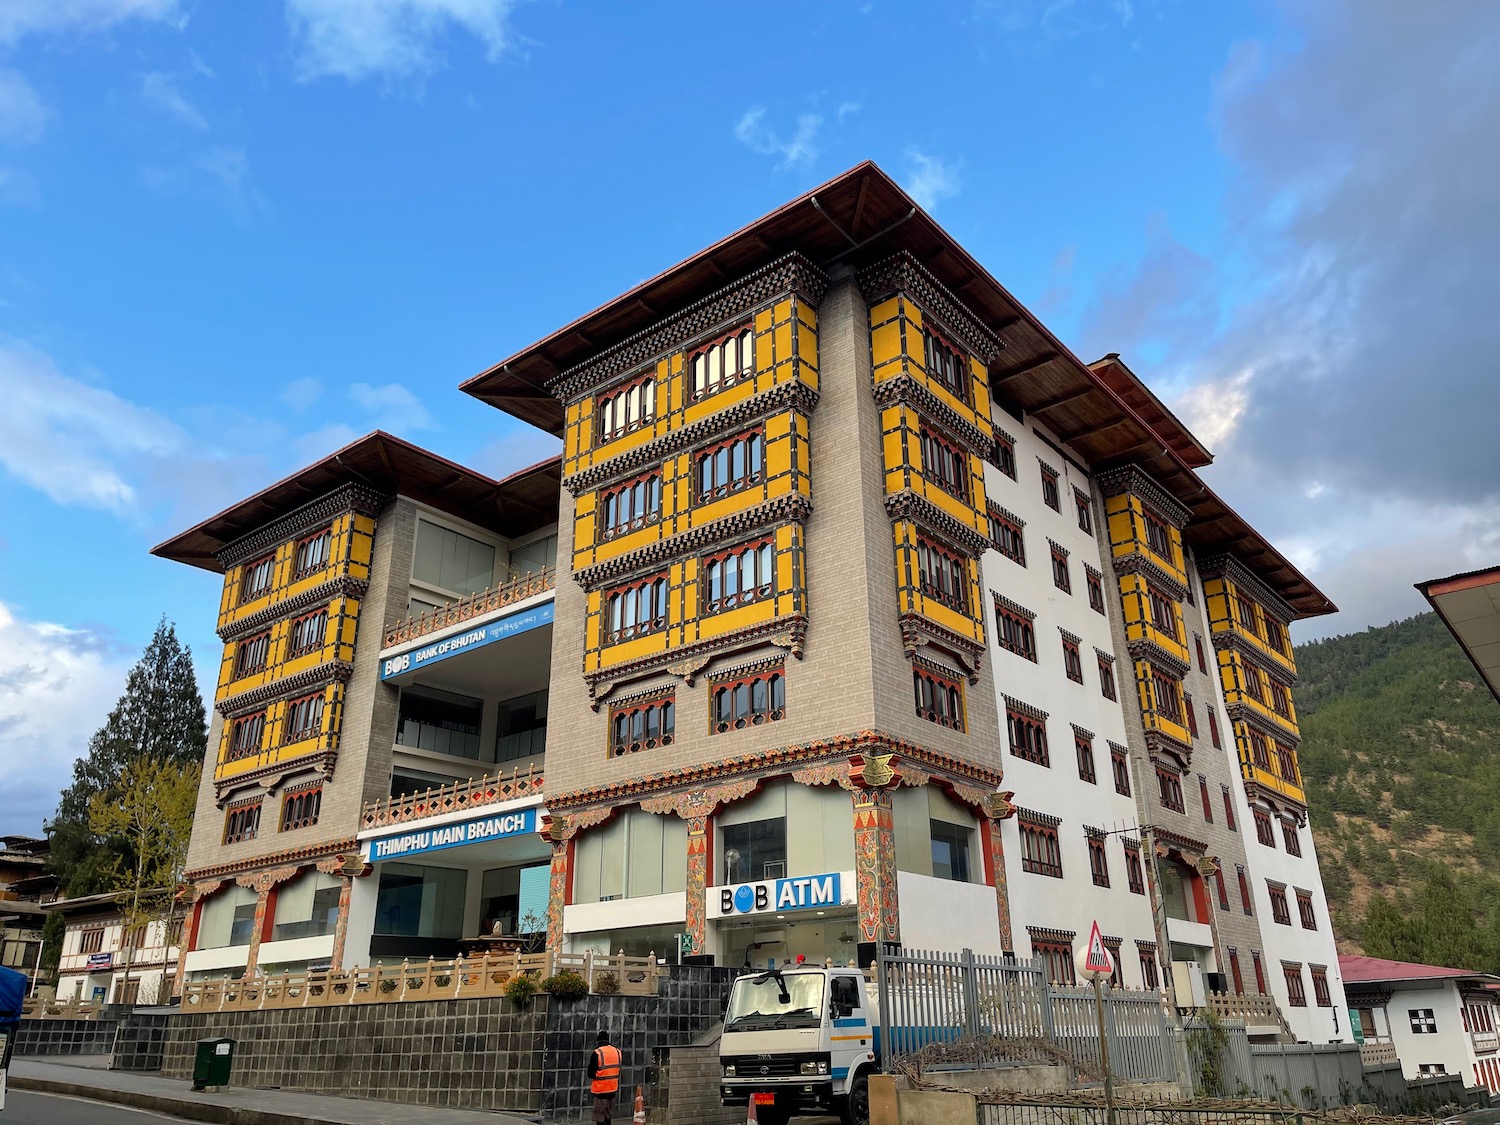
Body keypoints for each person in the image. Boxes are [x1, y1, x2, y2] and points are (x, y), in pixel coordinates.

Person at [586, 1028, 622, 1124]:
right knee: (608, 1117)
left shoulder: (597, 1053)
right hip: (612, 1090)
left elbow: (590, 1074)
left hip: (600, 1091)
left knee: (600, 1118)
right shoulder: (617, 1052)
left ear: (598, 1041)